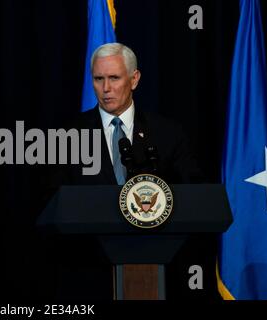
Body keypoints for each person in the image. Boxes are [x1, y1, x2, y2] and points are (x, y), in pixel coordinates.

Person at [38, 43, 212, 300]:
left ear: (134, 79)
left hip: (157, 270)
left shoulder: (167, 133)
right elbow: (52, 203)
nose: (106, 88)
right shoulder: (68, 136)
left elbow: (193, 194)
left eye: (114, 78)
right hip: (87, 277)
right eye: (98, 79)